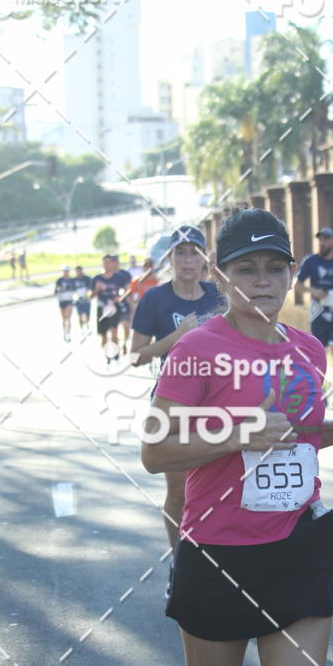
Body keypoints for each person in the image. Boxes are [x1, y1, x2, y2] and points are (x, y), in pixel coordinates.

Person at [141, 208, 333, 666]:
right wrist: (233, 430)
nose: (262, 281)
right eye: (247, 269)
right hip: (219, 551)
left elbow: (294, 437)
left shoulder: (304, 348)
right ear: (222, 275)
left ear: (292, 274)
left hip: (300, 545)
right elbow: (154, 449)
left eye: (275, 268)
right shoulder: (195, 351)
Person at [131, 225, 222, 573]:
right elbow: (136, 355)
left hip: (219, 399)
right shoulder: (155, 298)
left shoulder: (217, 294)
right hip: (175, 401)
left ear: (205, 259)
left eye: (194, 252)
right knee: (180, 490)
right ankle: (180, 565)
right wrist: (178, 336)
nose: (188, 260)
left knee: (220, 488)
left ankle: (218, 562)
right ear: (170, 258)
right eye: (180, 253)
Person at [295, 227, 333, 409]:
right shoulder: (311, 262)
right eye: (320, 239)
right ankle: (320, 392)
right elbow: (297, 284)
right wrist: (313, 291)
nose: (322, 243)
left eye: (326, 239)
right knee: (319, 353)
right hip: (318, 312)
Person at [92, 255, 124, 362]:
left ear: (112, 263)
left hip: (114, 308)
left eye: (109, 262)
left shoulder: (118, 278)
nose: (107, 264)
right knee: (104, 335)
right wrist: (97, 289)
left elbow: (126, 290)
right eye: (104, 262)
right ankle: (107, 355)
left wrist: (120, 297)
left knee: (114, 331)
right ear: (102, 264)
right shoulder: (97, 278)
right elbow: (90, 296)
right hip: (102, 308)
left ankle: (115, 353)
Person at [110, 255, 132, 352]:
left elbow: (129, 289)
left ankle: (124, 344)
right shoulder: (107, 275)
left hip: (124, 304)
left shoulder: (125, 274)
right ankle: (116, 350)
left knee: (126, 327)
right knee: (113, 330)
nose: (115, 264)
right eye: (113, 262)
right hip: (112, 306)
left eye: (116, 262)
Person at [54, 266, 75, 342]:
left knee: (68, 317)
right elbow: (55, 292)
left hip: (69, 300)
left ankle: (68, 333)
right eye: (64, 271)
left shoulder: (72, 280)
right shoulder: (59, 280)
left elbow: (75, 289)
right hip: (62, 300)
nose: (66, 273)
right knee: (64, 318)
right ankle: (65, 332)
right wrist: (61, 289)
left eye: (67, 271)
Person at [73, 265, 92, 333]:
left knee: (87, 315)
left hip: (87, 300)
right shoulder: (74, 280)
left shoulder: (87, 279)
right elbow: (72, 290)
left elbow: (90, 288)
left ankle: (87, 324)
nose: (78, 273)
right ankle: (82, 329)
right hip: (79, 300)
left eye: (79, 271)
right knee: (80, 314)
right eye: (77, 271)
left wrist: (88, 294)